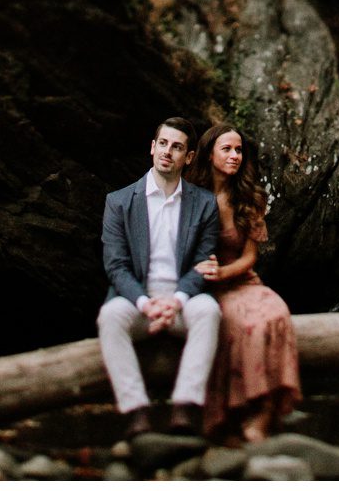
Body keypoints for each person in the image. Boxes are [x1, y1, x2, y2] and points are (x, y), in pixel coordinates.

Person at [98, 116, 223, 438]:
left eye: (177, 147)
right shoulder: (119, 202)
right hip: (136, 298)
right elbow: (116, 266)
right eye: (163, 144)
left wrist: (175, 301)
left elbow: (203, 262)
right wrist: (145, 303)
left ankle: (185, 406)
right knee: (109, 317)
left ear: (189, 157)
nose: (168, 152)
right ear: (153, 148)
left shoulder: (205, 203)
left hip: (183, 299)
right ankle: (137, 410)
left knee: (209, 311)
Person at [186, 123, 301, 444]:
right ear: (209, 155)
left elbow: (250, 257)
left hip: (241, 279)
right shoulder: (190, 196)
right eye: (227, 149)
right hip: (205, 286)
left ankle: (263, 410)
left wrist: (224, 273)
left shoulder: (249, 198)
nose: (235, 156)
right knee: (242, 324)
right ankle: (231, 414)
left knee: (276, 313)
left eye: (239, 150)